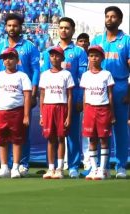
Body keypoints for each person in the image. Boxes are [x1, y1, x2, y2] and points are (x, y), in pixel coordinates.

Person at [0, 13, 40, 176]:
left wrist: (33, 93)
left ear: (21, 27)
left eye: (15, 25)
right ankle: (6, 166)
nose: (12, 28)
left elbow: (35, 70)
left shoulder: (29, 46)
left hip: (23, 96)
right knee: (4, 136)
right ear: (5, 27)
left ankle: (22, 165)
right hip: (4, 95)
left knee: (21, 132)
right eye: (9, 25)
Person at [41, 17, 87, 178]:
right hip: (53, 100)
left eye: (67, 28)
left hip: (71, 99)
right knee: (53, 135)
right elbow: (45, 75)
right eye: (61, 27)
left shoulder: (79, 52)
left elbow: (82, 77)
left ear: (73, 30)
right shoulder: (50, 51)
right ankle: (52, 167)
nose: (63, 30)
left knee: (72, 134)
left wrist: (80, 98)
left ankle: (73, 166)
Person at [91, 6, 130, 179]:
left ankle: (121, 165)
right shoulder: (97, 40)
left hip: (120, 88)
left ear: (120, 20)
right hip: (98, 91)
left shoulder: (127, 41)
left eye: (113, 16)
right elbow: (91, 66)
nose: (109, 19)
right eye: (107, 16)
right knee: (97, 130)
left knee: (120, 129)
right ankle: (99, 167)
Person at [0, 48, 32, 179]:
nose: (8, 60)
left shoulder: (22, 76)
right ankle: (4, 167)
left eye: (11, 58)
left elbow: (27, 96)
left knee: (17, 141)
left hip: (16, 112)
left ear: (17, 60)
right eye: (5, 58)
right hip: (0, 112)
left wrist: (25, 115)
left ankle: (15, 167)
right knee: (1, 141)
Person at [39, 46, 74, 179]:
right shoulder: (45, 74)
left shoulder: (66, 74)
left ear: (62, 58)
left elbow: (70, 95)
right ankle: (51, 168)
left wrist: (69, 116)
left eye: (57, 55)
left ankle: (60, 168)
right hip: (48, 108)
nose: (54, 58)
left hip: (61, 107)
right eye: (52, 55)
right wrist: (42, 114)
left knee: (61, 138)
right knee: (50, 138)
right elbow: (42, 95)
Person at [81, 46, 115, 180]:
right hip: (89, 110)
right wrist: (84, 113)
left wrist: (112, 113)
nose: (93, 58)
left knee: (104, 139)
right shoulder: (85, 75)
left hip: (103, 109)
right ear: (88, 58)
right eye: (91, 56)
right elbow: (85, 95)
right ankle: (94, 169)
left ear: (102, 58)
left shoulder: (106, 74)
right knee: (92, 139)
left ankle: (103, 169)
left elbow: (110, 95)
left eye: (96, 56)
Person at [75, 32, 91, 171]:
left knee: (87, 131)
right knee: (70, 132)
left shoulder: (95, 58)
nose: (83, 43)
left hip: (91, 99)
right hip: (75, 97)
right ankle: (71, 160)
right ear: (76, 43)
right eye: (80, 41)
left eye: (86, 41)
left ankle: (87, 160)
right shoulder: (73, 57)